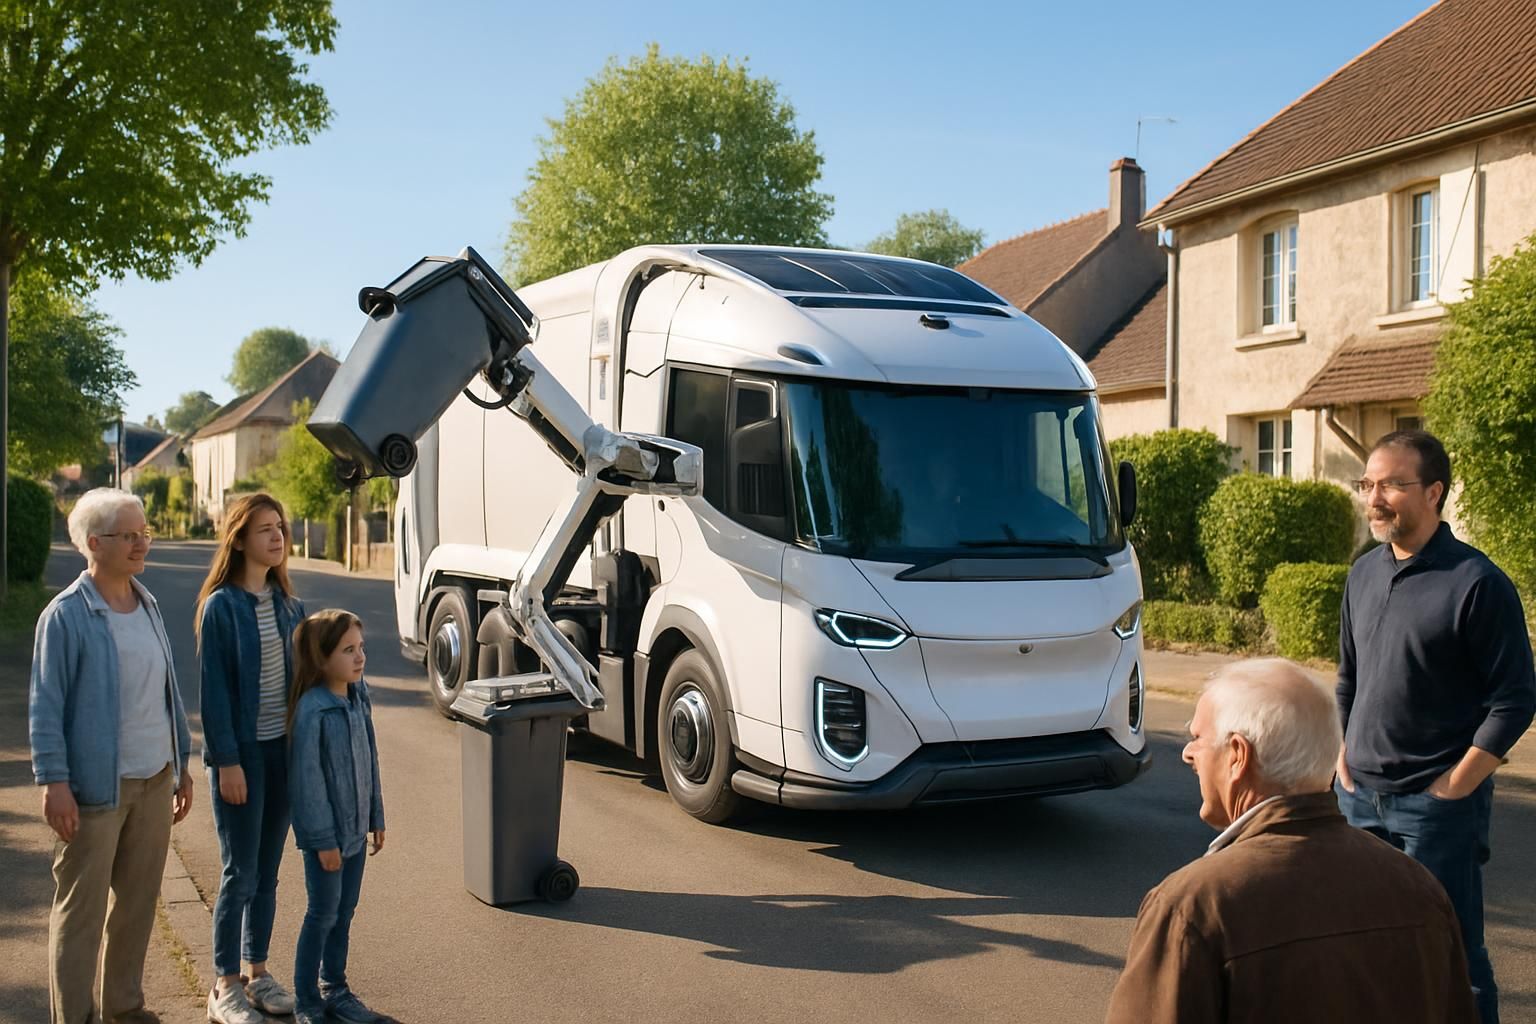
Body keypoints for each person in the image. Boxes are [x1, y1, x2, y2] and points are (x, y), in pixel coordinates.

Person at [1105, 659, 1477, 1024]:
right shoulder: (1419, 887)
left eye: (1198, 738)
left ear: (1237, 755)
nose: (1188, 752)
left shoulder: (1192, 906)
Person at [1336, 429, 1535, 1024]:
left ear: (1434, 493)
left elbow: (1516, 699)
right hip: (1357, 802)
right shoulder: (1363, 575)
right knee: (1368, 944)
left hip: (1435, 811)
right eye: (1369, 483)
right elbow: (1348, 678)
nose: (1376, 497)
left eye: (1394, 484)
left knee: (1452, 954)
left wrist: (1456, 786)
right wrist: (1342, 759)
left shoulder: (1477, 583)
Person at [29, 489, 194, 1024]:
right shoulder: (66, 616)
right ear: (94, 543)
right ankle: (75, 1016)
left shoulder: (146, 603)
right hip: (94, 789)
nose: (141, 543)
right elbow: (47, 705)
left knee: (137, 906)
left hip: (154, 779)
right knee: (81, 914)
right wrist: (54, 781)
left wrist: (181, 765)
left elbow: (165, 691)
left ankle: (124, 1006)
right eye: (129, 535)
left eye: (143, 533)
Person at [197, 493, 307, 1023]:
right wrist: (228, 762)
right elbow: (213, 694)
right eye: (265, 528)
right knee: (238, 872)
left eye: (280, 527)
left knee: (267, 873)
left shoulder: (290, 607)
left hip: (281, 758)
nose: (277, 537)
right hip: (241, 757)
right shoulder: (221, 607)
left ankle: (258, 973)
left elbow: (304, 688)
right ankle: (224, 986)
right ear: (239, 539)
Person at [287, 610, 391, 1024]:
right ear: (321, 657)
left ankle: (337, 988)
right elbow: (307, 784)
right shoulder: (314, 711)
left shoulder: (356, 697)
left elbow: (371, 762)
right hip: (327, 840)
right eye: (348, 650)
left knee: (344, 913)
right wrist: (323, 841)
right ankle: (307, 1000)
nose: (359, 657)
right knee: (322, 914)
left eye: (361, 647)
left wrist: (376, 816)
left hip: (356, 834)